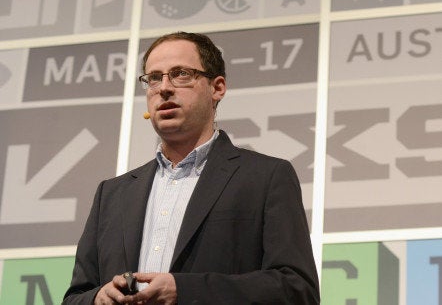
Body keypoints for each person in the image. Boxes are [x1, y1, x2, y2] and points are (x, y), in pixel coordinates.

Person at [63, 32, 320, 304]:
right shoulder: (112, 194)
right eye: (154, 78)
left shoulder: (265, 178)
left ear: (217, 87)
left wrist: (184, 291)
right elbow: (74, 297)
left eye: (180, 74)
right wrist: (98, 299)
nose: (164, 88)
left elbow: (297, 290)